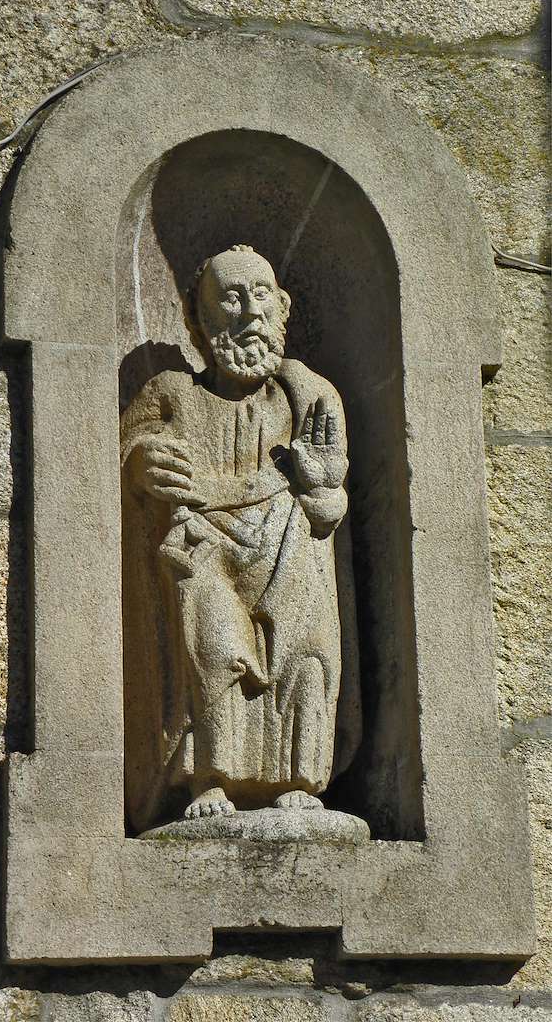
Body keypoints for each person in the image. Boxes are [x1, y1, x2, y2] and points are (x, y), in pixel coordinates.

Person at [121, 245, 354, 831]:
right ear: (200, 322)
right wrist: (141, 463)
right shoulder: (171, 393)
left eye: (259, 296)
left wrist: (321, 486)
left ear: (282, 307)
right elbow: (130, 456)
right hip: (209, 542)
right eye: (230, 298)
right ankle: (211, 775)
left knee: (305, 645)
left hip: (288, 541)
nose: (248, 312)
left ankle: (301, 778)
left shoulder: (307, 397)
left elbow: (330, 506)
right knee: (213, 642)